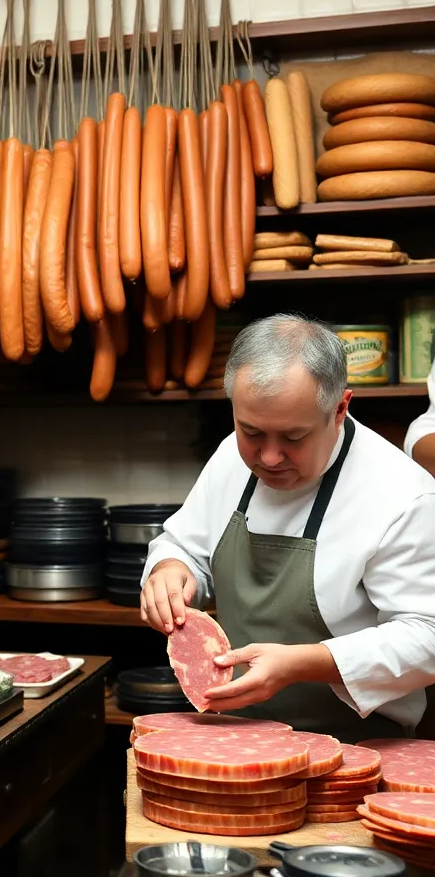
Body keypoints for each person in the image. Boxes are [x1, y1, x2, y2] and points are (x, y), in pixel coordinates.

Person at [140, 314, 435, 740]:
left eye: (294, 437)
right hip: (236, 738)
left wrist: (305, 663)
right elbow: (184, 544)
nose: (270, 457)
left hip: (359, 747)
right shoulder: (229, 457)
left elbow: (427, 636)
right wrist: (169, 569)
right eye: (252, 431)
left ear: (339, 409)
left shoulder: (403, 495)